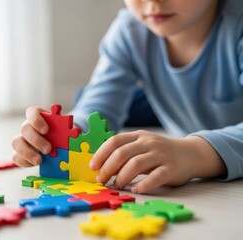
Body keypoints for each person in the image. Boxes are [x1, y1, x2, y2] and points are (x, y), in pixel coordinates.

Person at [12, 0, 243, 194]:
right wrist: (60, 136)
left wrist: (194, 153)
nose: (153, 2)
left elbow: (193, 154)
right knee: (86, 100)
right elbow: (98, 109)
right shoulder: (129, 30)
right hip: (170, 104)